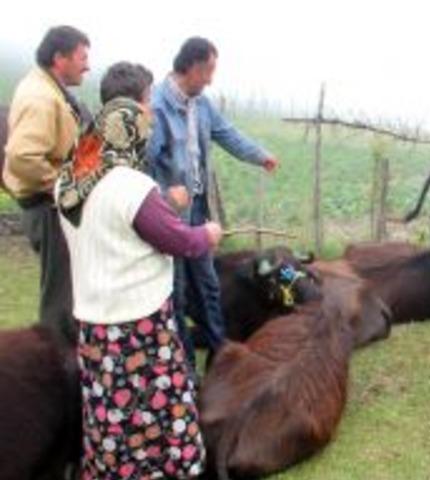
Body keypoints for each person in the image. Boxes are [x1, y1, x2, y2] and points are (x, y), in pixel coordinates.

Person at [55, 62, 220, 479]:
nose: (150, 117)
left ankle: (115, 470)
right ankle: (171, 468)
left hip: (94, 320)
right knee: (159, 404)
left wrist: (166, 205)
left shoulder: (74, 178)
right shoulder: (132, 186)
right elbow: (180, 242)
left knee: (111, 409)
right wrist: (208, 234)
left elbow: (114, 226)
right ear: (129, 123)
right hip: (138, 323)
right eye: (145, 109)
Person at [146, 36, 278, 364]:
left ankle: (222, 357)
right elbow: (143, 165)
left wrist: (259, 155)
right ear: (190, 67)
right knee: (174, 293)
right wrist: (163, 197)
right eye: (207, 70)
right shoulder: (157, 106)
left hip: (198, 214)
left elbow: (227, 133)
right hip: (169, 218)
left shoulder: (201, 105)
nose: (210, 79)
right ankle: (185, 367)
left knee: (208, 286)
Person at [2, 25, 91, 344]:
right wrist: (65, 186)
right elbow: (22, 156)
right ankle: (55, 367)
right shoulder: (41, 97)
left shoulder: (50, 89)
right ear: (60, 58)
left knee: (67, 293)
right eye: (82, 57)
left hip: (51, 206)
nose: (88, 65)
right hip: (48, 208)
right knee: (60, 301)